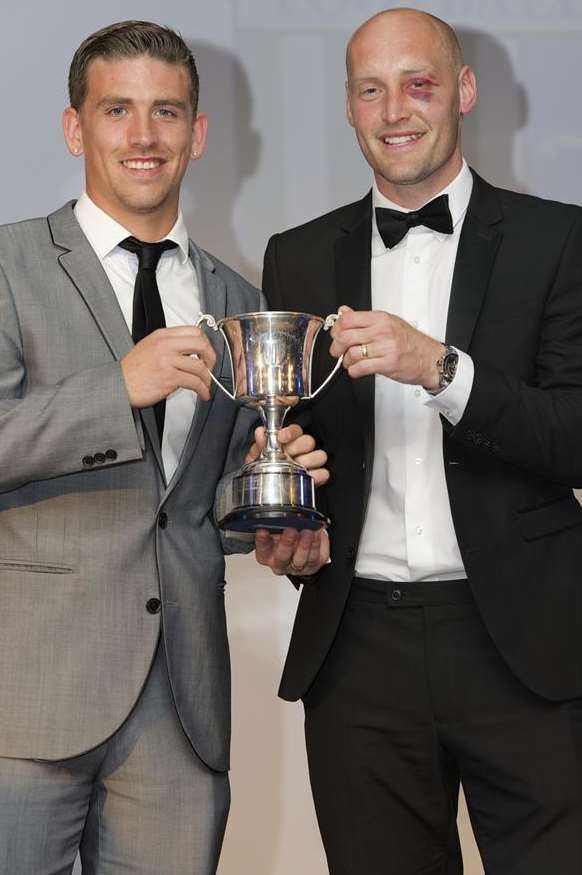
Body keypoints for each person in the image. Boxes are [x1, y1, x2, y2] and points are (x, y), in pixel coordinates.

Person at [0, 20, 327, 875]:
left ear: (198, 133)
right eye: (118, 110)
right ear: (77, 127)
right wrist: (120, 384)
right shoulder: (6, 265)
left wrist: (272, 514)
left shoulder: (237, 296)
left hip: (182, 709)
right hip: (25, 704)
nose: (144, 137)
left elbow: (191, 502)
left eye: (167, 112)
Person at [260, 7, 582, 874]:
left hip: (524, 642)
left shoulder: (559, 239)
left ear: (464, 92)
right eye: (371, 89)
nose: (395, 109)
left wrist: (441, 369)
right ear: (349, 107)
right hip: (358, 646)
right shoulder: (295, 254)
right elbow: (285, 440)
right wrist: (290, 523)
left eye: (419, 84)